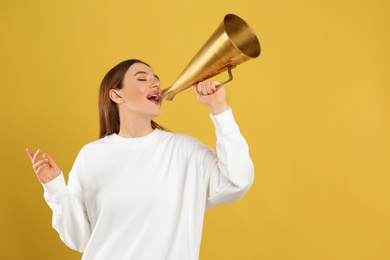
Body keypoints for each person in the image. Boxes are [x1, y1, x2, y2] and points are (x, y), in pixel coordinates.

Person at [26, 59, 254, 260]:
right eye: (142, 78)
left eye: (156, 79)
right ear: (116, 95)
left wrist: (220, 109)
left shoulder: (183, 150)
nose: (155, 83)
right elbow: (80, 239)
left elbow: (237, 181)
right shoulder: (91, 155)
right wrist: (55, 188)